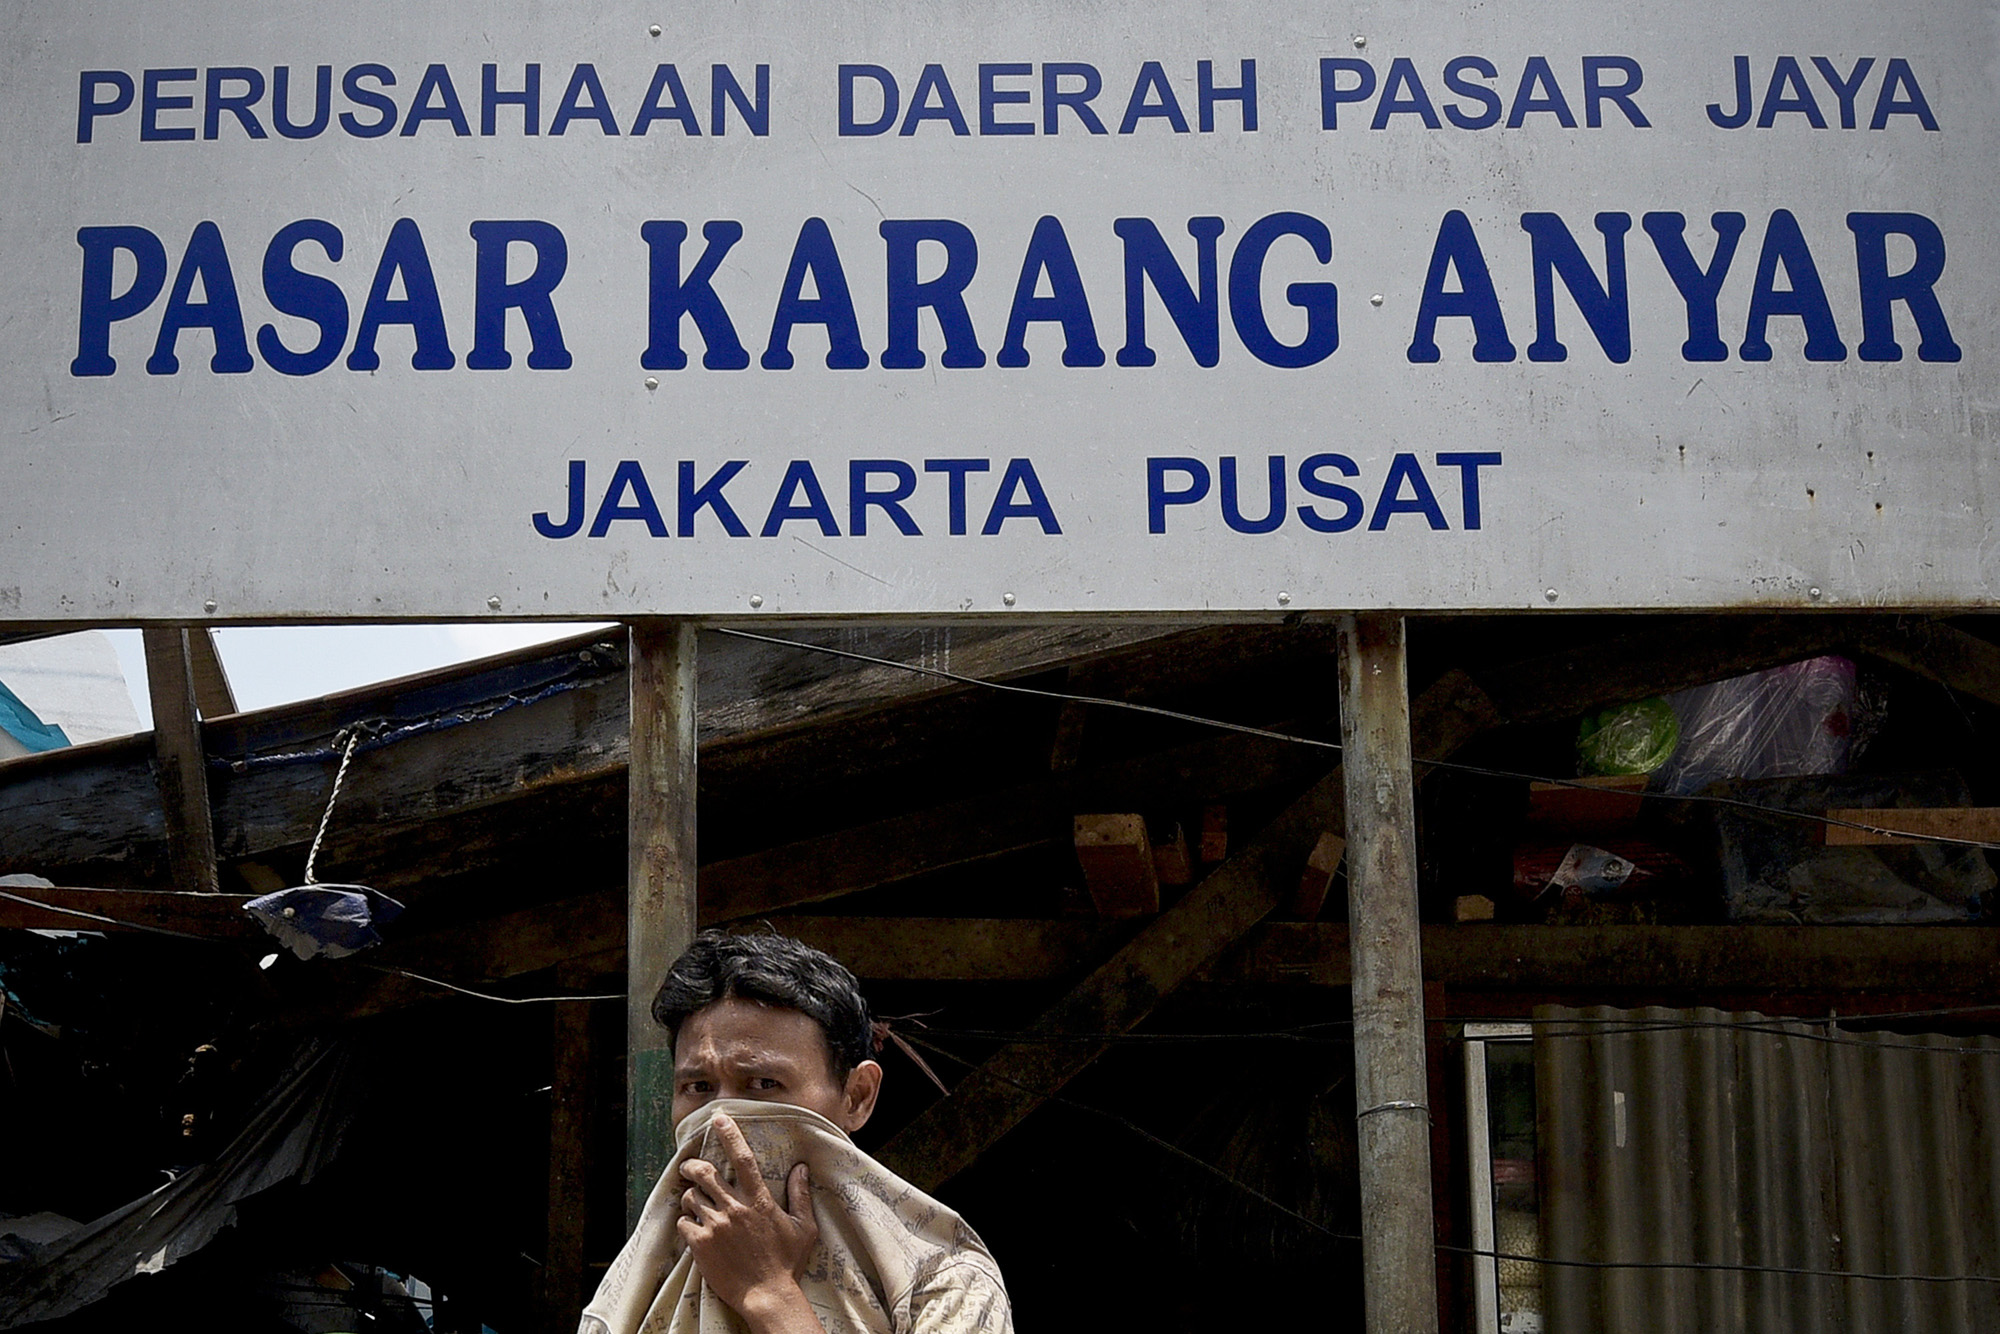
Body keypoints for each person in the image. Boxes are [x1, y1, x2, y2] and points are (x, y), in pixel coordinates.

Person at [580, 930, 1013, 1334]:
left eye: (764, 1084)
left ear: (857, 1096)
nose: (722, 1120)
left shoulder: (944, 1283)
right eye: (699, 1088)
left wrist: (769, 1294)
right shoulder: (628, 1300)